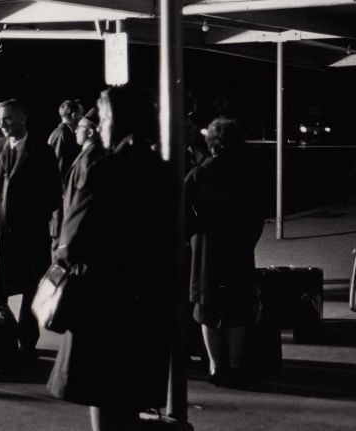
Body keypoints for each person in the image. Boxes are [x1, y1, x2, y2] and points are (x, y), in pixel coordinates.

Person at [47, 85, 178, 431]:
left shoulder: (106, 169)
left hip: (103, 303)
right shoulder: (163, 170)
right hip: (148, 300)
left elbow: (73, 241)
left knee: (104, 396)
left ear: (117, 122)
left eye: (103, 118)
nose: (99, 126)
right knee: (131, 397)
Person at [0, 99, 62, 355]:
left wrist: (31, 218)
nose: (2, 124)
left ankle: (27, 343)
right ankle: (0, 344)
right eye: (0, 120)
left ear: (23, 118)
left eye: (8, 118)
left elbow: (53, 194)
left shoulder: (42, 151)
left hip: (28, 237)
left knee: (30, 290)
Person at [185, 118, 264, 387]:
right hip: (238, 246)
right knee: (237, 306)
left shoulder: (200, 174)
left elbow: (182, 211)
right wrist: (247, 240)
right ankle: (235, 364)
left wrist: (192, 235)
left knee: (207, 307)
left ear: (211, 145)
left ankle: (216, 366)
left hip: (206, 247)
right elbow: (257, 214)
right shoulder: (246, 174)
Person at [48, 99, 84, 251]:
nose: (82, 119)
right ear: (74, 115)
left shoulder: (61, 133)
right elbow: (59, 170)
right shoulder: (63, 135)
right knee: (60, 241)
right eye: (81, 115)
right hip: (62, 199)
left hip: (62, 197)